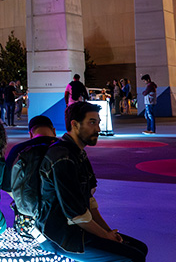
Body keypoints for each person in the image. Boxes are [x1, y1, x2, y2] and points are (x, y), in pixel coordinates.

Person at [37, 102, 148, 261]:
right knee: (132, 257)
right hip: (61, 235)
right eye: (92, 122)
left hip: (78, 228)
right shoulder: (62, 158)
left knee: (140, 248)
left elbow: (89, 201)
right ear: (74, 125)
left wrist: (108, 232)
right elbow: (76, 214)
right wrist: (105, 235)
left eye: (98, 123)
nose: (98, 129)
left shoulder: (78, 154)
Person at [3, 115, 59, 239]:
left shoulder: (19, 149)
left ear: (30, 133)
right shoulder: (64, 148)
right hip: (61, 222)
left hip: (28, 225)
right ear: (54, 131)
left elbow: (7, 186)